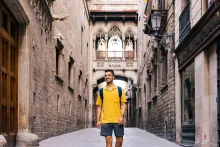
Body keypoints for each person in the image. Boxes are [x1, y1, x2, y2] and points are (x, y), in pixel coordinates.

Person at [96, 69, 127, 147]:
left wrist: (121, 116)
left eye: (109, 75)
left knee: (119, 141)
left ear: (113, 77)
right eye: (105, 75)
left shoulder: (119, 90)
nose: (107, 77)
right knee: (108, 141)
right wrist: (98, 120)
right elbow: (99, 106)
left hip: (118, 119)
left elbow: (124, 104)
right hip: (105, 120)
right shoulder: (101, 91)